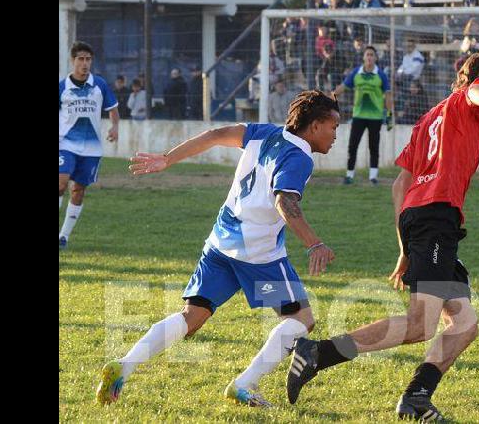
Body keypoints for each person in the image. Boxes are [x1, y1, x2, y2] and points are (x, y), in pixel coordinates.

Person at [285, 52, 479, 421]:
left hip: (422, 220)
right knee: (419, 324)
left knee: (464, 323)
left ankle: (416, 398)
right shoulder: (475, 97)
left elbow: (400, 184)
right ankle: (319, 353)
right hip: (436, 218)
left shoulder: (431, 116)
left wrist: (404, 246)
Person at [95, 90, 342, 408]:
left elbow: (215, 134)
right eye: (334, 126)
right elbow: (285, 201)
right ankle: (243, 385)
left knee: (192, 316)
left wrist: (168, 158)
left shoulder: (263, 133)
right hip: (259, 257)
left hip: (220, 244)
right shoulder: (300, 157)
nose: (336, 134)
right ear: (316, 124)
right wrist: (315, 243)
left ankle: (123, 367)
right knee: (301, 318)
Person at [59, 41, 119, 249]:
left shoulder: (99, 84)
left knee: (78, 190)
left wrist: (114, 127)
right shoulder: (62, 88)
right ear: (72, 61)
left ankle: (63, 236)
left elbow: (112, 108)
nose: (85, 63)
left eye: (88, 59)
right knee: (61, 182)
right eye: (81, 59)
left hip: (92, 148)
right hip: (65, 143)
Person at [332, 46, 394, 185]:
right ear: (364, 57)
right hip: (358, 116)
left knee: (374, 147)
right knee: (352, 146)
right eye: (367, 55)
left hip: (375, 117)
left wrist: (389, 115)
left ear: (375, 58)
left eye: (372, 55)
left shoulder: (381, 75)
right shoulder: (356, 73)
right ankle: (349, 176)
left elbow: (388, 96)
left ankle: (373, 177)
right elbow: (342, 87)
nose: (370, 57)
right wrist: (330, 96)